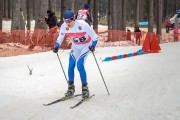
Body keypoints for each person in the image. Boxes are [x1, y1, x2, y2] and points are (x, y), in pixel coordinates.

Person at [53, 9, 98, 99]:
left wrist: (93, 45)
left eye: (69, 21)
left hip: (85, 45)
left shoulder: (83, 25)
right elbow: (60, 37)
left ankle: (85, 89)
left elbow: (95, 36)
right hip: (76, 46)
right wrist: (57, 46)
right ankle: (71, 89)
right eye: (65, 21)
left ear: (74, 19)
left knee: (79, 65)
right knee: (71, 65)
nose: (67, 23)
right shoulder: (64, 26)